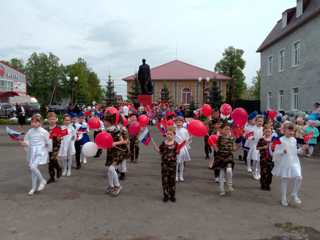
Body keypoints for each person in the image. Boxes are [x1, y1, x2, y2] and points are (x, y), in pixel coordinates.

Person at [272, 122, 303, 207]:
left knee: (299, 177)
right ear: (284, 130)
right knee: (285, 180)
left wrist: (301, 149)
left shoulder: (294, 140)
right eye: (288, 130)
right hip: (285, 162)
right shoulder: (280, 140)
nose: (291, 133)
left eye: (292, 131)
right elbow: (275, 152)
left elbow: (295, 151)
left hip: (294, 162)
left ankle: (294, 193)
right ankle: (283, 197)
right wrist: (282, 151)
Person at [21, 114, 50, 195]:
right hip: (32, 151)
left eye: (35, 122)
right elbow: (27, 140)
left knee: (33, 167)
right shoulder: (30, 131)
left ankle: (42, 180)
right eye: (32, 122)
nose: (33, 124)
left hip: (40, 152)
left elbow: (48, 142)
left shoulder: (44, 132)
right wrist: (25, 143)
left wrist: (47, 150)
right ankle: (33, 187)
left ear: (40, 123)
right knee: (33, 170)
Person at [104, 112, 128, 196]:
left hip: (118, 151)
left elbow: (123, 141)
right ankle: (111, 186)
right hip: (111, 151)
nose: (103, 122)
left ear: (109, 122)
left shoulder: (115, 130)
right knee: (109, 170)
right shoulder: (107, 130)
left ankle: (118, 186)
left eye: (105, 121)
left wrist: (115, 143)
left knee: (111, 169)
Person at [155, 126, 178, 202]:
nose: (169, 135)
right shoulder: (163, 143)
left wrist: (178, 152)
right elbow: (160, 152)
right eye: (167, 134)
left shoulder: (176, 144)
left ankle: (172, 195)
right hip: (164, 164)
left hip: (173, 165)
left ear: (174, 135)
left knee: (172, 180)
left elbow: (177, 152)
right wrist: (157, 149)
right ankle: (165, 195)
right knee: (165, 180)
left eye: (170, 134)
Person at [213, 122, 235, 196]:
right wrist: (214, 146)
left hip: (229, 156)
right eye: (225, 129)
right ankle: (221, 189)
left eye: (228, 129)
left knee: (229, 170)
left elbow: (234, 149)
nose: (227, 130)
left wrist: (238, 145)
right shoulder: (219, 138)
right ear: (221, 130)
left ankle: (229, 185)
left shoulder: (232, 138)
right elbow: (216, 149)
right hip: (221, 157)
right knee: (221, 174)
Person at [46, 112, 62, 184]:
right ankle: (52, 177)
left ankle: (58, 168)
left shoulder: (58, 128)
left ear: (56, 119)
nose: (52, 120)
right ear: (48, 120)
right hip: (47, 147)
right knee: (50, 162)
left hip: (56, 146)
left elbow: (60, 138)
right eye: (50, 119)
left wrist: (59, 137)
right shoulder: (45, 129)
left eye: (53, 119)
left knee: (52, 160)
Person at [256, 126, 274, 191]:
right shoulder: (261, 139)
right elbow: (257, 148)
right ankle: (263, 183)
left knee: (270, 172)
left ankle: (268, 184)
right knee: (263, 171)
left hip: (271, 158)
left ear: (271, 132)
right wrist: (263, 147)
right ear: (263, 132)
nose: (268, 133)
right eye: (266, 131)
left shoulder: (273, 140)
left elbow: (278, 148)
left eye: (269, 132)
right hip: (263, 158)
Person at [247, 115, 264, 180]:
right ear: (256, 121)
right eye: (258, 121)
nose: (260, 122)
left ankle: (258, 172)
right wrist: (252, 138)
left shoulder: (263, 129)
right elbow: (248, 136)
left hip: (262, 146)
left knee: (259, 161)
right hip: (254, 146)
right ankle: (254, 172)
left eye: (261, 121)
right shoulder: (253, 129)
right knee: (255, 159)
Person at [175, 116, 191, 182]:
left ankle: (181, 176)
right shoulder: (174, 130)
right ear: (175, 123)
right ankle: (176, 176)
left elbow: (187, 139)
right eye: (177, 122)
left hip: (182, 148)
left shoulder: (185, 130)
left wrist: (189, 139)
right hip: (176, 147)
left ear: (183, 123)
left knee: (181, 162)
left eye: (180, 122)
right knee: (176, 163)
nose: (179, 123)